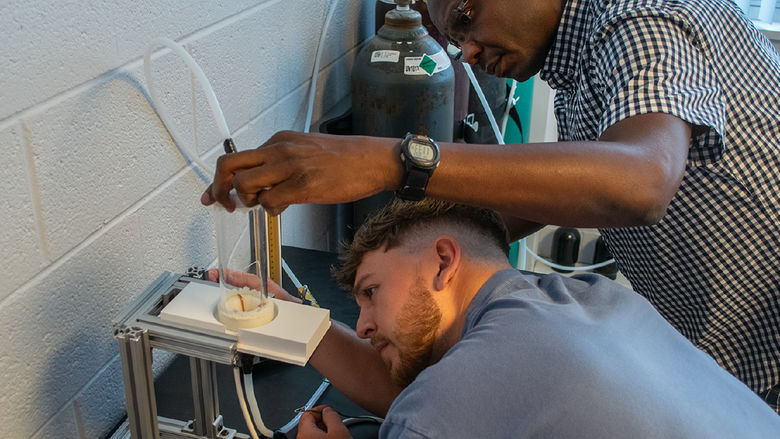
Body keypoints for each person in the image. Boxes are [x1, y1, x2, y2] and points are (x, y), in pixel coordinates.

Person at [201, 0, 780, 411]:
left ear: (446, 262)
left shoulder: (641, 15)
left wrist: (392, 161)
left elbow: (642, 179)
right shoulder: (581, 64)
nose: (468, 51)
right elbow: (509, 212)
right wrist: (305, 309)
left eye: (467, 17)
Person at [277, 199, 778, 438]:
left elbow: (434, 406)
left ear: (444, 262)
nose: (363, 324)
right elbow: (436, 394)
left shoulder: (452, 399)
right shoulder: (592, 297)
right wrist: (294, 323)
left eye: (371, 292)